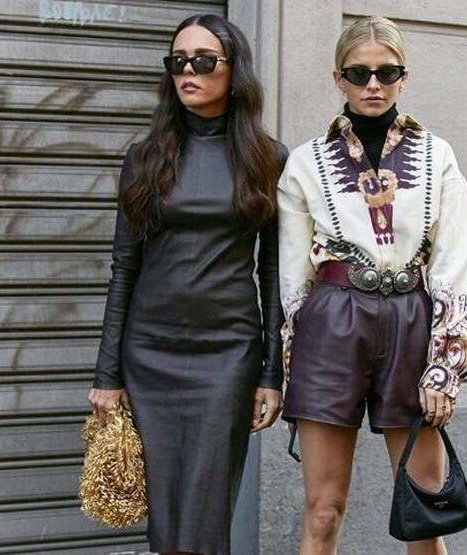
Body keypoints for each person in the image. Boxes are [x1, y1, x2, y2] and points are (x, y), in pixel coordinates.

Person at [278, 15, 467, 554]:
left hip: (412, 319)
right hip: (331, 321)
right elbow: (293, 279)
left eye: (387, 73)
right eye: (358, 73)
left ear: (403, 78)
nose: (373, 85)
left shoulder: (437, 155)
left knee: (425, 512)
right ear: (338, 78)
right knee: (323, 510)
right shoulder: (304, 162)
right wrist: (292, 369)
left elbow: (456, 261)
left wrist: (445, 365)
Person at [87, 13, 287, 555]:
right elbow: (123, 268)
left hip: (227, 356)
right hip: (150, 354)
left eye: (203, 61)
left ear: (234, 70)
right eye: (178, 62)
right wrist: (107, 374)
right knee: (169, 523)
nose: (188, 73)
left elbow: (273, 271)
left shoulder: (268, 159)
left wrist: (271, 372)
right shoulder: (145, 157)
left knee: (204, 516)